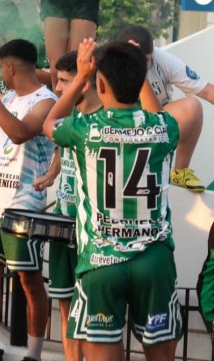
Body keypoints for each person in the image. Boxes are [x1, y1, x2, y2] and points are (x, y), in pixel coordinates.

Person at [43, 39, 181, 361]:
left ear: (99, 85)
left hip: (101, 263)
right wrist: (136, 69)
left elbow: (48, 123)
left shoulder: (85, 129)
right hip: (154, 261)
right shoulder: (164, 127)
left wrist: (79, 78)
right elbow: (152, 110)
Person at [0, 39, 57, 361]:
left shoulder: (47, 102)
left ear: (9, 67)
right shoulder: (5, 97)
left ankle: (33, 354)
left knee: (29, 280)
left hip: (24, 205)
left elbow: (19, 133)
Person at [32, 51, 102, 361]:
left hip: (96, 236)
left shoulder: (107, 121)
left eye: (64, 81)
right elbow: (62, 146)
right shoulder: (70, 120)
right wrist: (51, 174)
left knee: (96, 312)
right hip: (63, 225)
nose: (58, 89)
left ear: (84, 83)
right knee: (66, 306)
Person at [116, 24, 214, 192]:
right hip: (118, 128)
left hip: (157, 121)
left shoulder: (163, 60)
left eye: (146, 61)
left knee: (192, 106)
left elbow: (207, 91)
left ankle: (180, 172)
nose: (144, 66)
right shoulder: (108, 63)